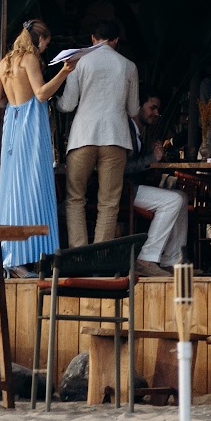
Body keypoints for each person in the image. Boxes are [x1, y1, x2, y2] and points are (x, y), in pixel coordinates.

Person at [0, 18, 70, 268]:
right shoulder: (30, 59)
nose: (46, 47)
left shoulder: (4, 63)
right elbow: (42, 93)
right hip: (31, 127)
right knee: (34, 185)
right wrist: (64, 72)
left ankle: (13, 255)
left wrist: (15, 105)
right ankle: (31, 255)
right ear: (40, 39)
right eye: (46, 42)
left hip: (13, 125)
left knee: (14, 188)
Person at [58, 19, 142, 249]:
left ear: (93, 39)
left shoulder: (79, 62)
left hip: (82, 137)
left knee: (75, 198)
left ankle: (78, 253)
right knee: (109, 203)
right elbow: (134, 109)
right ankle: (99, 257)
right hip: (115, 138)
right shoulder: (128, 66)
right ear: (116, 41)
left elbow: (67, 105)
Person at [124, 94, 189, 271]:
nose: (156, 113)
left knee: (181, 197)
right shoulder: (126, 129)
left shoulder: (138, 132)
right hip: (124, 189)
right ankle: (145, 258)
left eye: (157, 109)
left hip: (134, 188)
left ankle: (172, 261)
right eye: (152, 108)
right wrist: (152, 157)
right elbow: (123, 167)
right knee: (173, 200)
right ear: (137, 106)